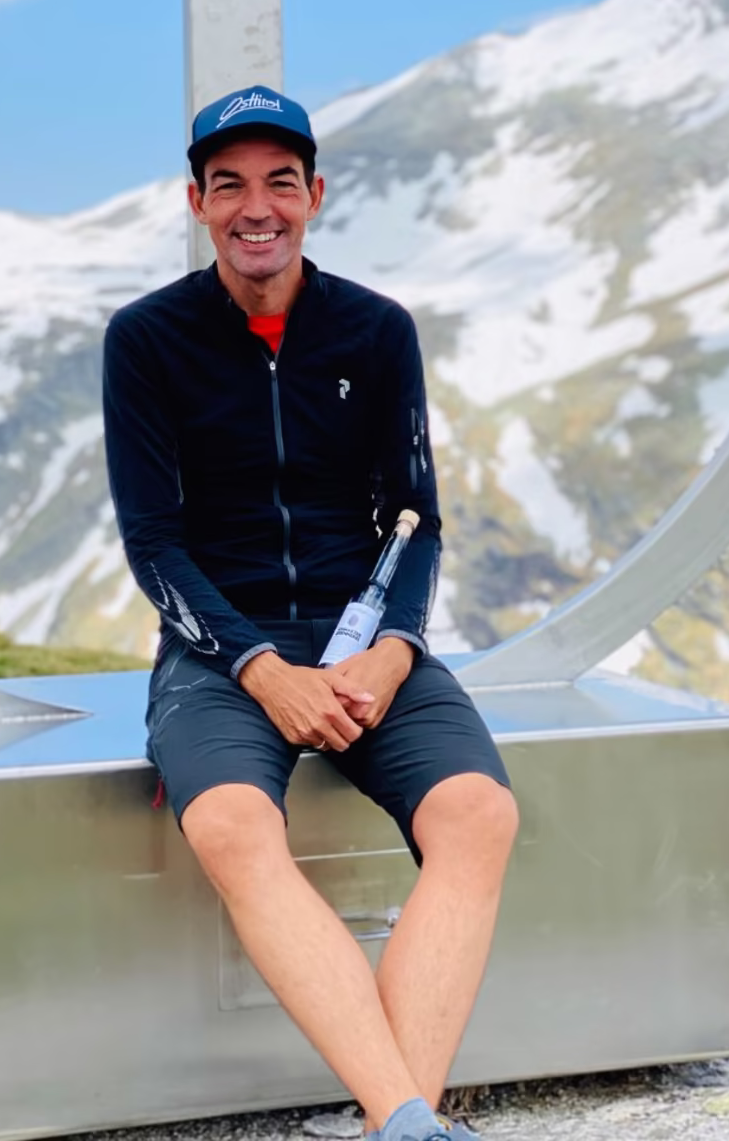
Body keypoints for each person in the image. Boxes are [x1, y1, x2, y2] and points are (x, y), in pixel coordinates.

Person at [102, 85, 518, 1141]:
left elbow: (415, 516)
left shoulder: (376, 331)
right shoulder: (145, 339)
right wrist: (256, 666)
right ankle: (412, 1121)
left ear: (314, 195)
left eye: (279, 182)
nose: (257, 206)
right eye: (229, 184)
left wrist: (391, 648)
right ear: (195, 202)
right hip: (220, 655)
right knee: (235, 828)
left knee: (478, 813)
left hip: (366, 641)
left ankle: (400, 1121)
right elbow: (155, 547)